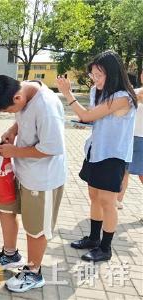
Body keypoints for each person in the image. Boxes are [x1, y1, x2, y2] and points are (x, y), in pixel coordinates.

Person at [0, 75, 66, 292]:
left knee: (35, 229)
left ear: (18, 97)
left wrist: (14, 151)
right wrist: (12, 131)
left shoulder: (47, 106)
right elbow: (22, 118)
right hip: (21, 171)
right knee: (5, 209)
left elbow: (52, 147)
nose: (11, 114)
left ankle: (34, 272)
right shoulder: (23, 92)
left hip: (42, 179)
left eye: (9, 110)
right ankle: (10, 255)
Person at [57, 50, 137, 262]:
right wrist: (85, 120)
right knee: (94, 195)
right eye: (93, 75)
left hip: (113, 155)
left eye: (99, 75)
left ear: (113, 74)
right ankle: (93, 238)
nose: (95, 79)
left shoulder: (122, 98)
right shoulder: (96, 91)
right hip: (96, 150)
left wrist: (68, 94)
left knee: (107, 201)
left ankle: (106, 247)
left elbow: (86, 114)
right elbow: (93, 118)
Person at [116, 72, 143, 208]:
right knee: (123, 171)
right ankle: (117, 201)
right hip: (128, 137)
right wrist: (135, 99)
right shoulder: (134, 92)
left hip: (142, 140)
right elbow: (122, 111)